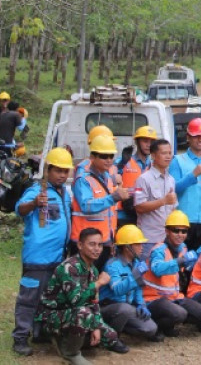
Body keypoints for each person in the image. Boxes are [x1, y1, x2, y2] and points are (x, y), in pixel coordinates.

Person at [12, 148, 73, 356]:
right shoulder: (37, 190)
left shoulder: (64, 193)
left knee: (48, 298)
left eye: (66, 171)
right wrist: (34, 203)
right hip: (37, 257)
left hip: (56, 258)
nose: (63, 175)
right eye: (58, 170)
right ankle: (20, 337)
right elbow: (19, 209)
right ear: (48, 170)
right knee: (28, 299)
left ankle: (39, 332)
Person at [36, 228, 128, 364]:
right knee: (84, 314)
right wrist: (98, 283)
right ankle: (70, 352)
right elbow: (76, 299)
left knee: (111, 336)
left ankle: (72, 338)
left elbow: (94, 302)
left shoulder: (93, 269)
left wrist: (96, 326)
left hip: (75, 313)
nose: (97, 249)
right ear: (80, 245)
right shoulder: (69, 267)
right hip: (52, 316)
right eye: (92, 244)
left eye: (100, 245)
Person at [143, 210, 201, 337]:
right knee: (180, 314)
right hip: (154, 298)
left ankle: (169, 324)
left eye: (184, 231)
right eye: (176, 230)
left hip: (174, 297)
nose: (180, 234)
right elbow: (157, 269)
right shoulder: (159, 250)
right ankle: (157, 327)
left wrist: (187, 264)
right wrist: (181, 261)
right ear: (167, 231)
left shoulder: (183, 248)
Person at [72, 134, 129, 270]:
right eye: (104, 156)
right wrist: (113, 198)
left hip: (104, 242)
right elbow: (86, 205)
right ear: (93, 157)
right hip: (86, 243)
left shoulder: (108, 178)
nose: (108, 160)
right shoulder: (83, 180)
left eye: (111, 156)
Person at [99, 225, 159, 342]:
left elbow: (138, 288)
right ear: (127, 247)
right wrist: (134, 275)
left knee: (151, 328)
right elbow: (117, 289)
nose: (141, 248)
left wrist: (141, 305)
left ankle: (120, 328)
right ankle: (111, 338)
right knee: (125, 309)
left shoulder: (136, 263)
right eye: (137, 244)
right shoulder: (112, 265)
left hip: (126, 308)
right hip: (109, 307)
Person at [170, 117, 201, 251]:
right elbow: (173, 188)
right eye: (196, 136)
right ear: (188, 137)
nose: (200, 140)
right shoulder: (178, 161)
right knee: (183, 259)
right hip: (183, 220)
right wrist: (191, 176)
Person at [134, 138, 177, 258]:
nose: (168, 156)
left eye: (169, 153)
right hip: (149, 239)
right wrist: (163, 201)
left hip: (167, 239)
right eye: (163, 153)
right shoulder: (143, 179)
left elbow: (173, 208)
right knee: (147, 274)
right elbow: (139, 207)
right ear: (153, 155)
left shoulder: (171, 180)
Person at [115, 125, 157, 228]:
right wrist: (120, 165)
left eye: (151, 142)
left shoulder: (154, 166)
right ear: (137, 142)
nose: (148, 145)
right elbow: (110, 178)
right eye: (145, 141)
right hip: (123, 215)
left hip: (144, 215)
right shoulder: (124, 161)